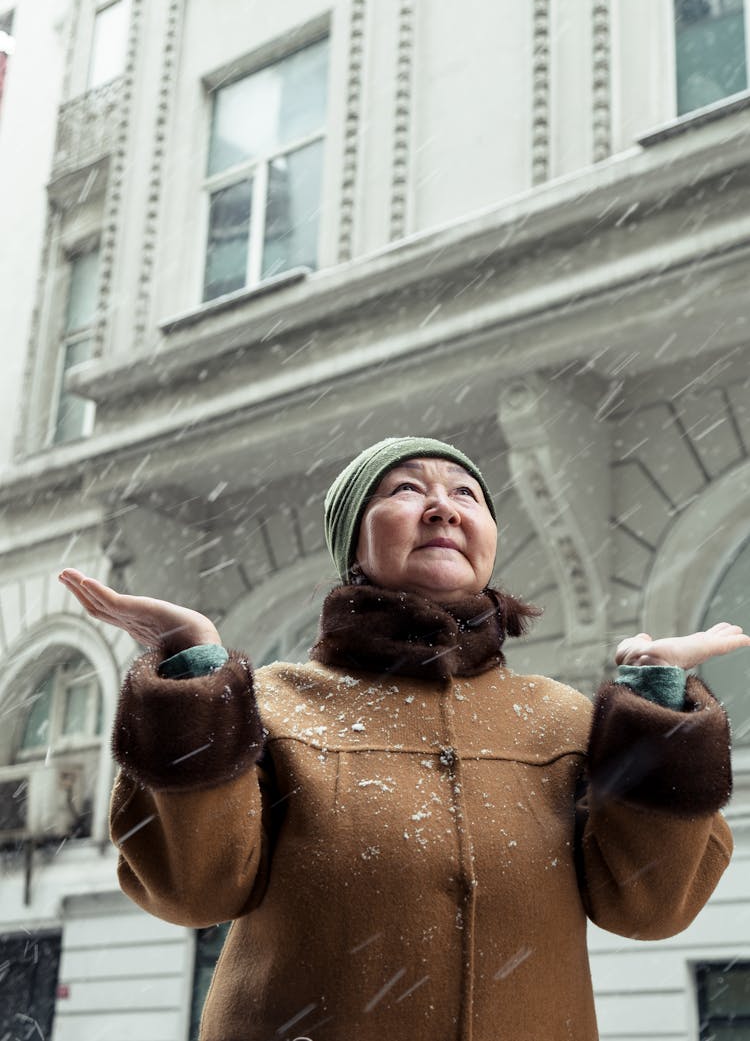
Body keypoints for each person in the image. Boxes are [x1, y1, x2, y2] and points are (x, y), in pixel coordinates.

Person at [59, 436, 748, 1041]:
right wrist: (193, 670)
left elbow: (651, 906)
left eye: (467, 495)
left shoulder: (563, 720)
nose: (444, 506)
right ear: (353, 545)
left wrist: (656, 698)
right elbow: (193, 889)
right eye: (407, 488)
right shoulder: (263, 703)